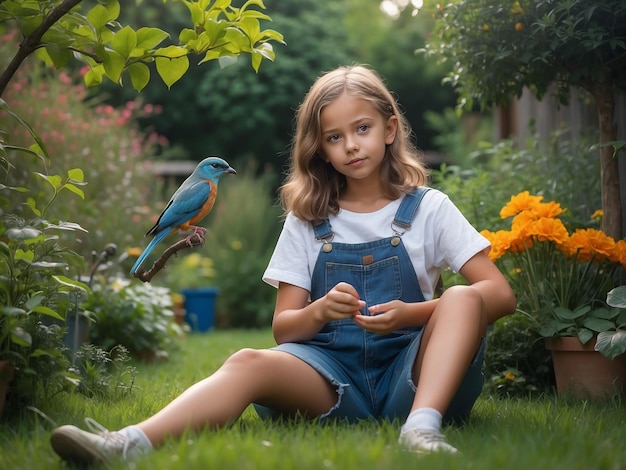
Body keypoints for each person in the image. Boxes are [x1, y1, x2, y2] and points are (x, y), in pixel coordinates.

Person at [50, 64, 516, 464]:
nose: (351, 145)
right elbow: (285, 329)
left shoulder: (429, 208)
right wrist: (320, 311)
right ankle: (127, 443)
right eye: (335, 137)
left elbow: (499, 296)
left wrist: (413, 313)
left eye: (363, 128)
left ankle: (421, 430)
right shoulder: (308, 220)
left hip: (415, 380)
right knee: (248, 360)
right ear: (320, 148)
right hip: (333, 383)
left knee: (462, 295)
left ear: (390, 129)